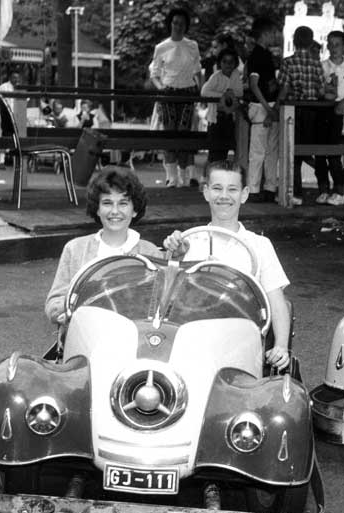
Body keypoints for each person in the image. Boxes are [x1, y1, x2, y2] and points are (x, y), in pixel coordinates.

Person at [162, 161, 291, 370]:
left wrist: (281, 346)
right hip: (192, 341)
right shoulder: (189, 241)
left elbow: (277, 301)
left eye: (232, 189)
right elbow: (167, 297)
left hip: (240, 344)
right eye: (217, 188)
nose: (224, 196)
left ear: (244, 194)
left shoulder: (260, 245)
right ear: (206, 192)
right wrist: (174, 256)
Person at [44, 167, 160, 324]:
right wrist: (67, 309)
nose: (115, 211)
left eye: (123, 203)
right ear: (97, 209)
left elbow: (164, 302)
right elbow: (53, 304)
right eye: (107, 203)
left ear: (135, 210)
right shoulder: (75, 249)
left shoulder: (150, 252)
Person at [149, 7, 202, 188]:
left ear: (186, 26)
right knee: (169, 134)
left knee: (184, 135)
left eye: (182, 23)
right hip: (168, 94)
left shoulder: (192, 46)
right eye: (175, 23)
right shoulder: (161, 47)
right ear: (170, 24)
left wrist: (200, 91)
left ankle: (184, 176)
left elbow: (197, 71)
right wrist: (162, 88)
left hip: (187, 93)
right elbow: (154, 75)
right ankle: (171, 178)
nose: (178, 26)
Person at [276, 26, 328, 206]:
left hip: (293, 110)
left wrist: (275, 109)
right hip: (313, 111)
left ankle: (295, 193)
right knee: (309, 150)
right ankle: (323, 187)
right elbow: (322, 91)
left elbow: (284, 89)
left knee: (292, 152)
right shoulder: (316, 63)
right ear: (311, 41)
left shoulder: (288, 62)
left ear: (294, 40)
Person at [319, 29, 344, 206]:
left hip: (340, 111)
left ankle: (340, 190)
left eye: (337, 44)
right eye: (331, 44)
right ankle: (323, 189)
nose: (334, 48)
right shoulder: (322, 66)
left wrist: (343, 102)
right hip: (322, 110)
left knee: (334, 152)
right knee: (320, 152)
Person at [245, 18, 281, 203]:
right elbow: (254, 84)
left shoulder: (266, 55)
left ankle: (269, 187)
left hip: (270, 106)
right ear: (265, 33)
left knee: (270, 150)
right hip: (262, 107)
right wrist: (268, 108)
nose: (275, 36)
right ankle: (254, 189)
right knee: (259, 151)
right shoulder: (256, 56)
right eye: (273, 32)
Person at [200, 48, 243, 163]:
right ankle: (211, 173)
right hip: (215, 119)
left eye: (231, 62)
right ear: (220, 63)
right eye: (225, 61)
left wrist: (227, 95)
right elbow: (204, 92)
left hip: (230, 120)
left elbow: (239, 93)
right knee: (214, 152)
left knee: (224, 152)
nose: (228, 65)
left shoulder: (235, 76)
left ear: (235, 63)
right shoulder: (216, 76)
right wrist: (224, 95)